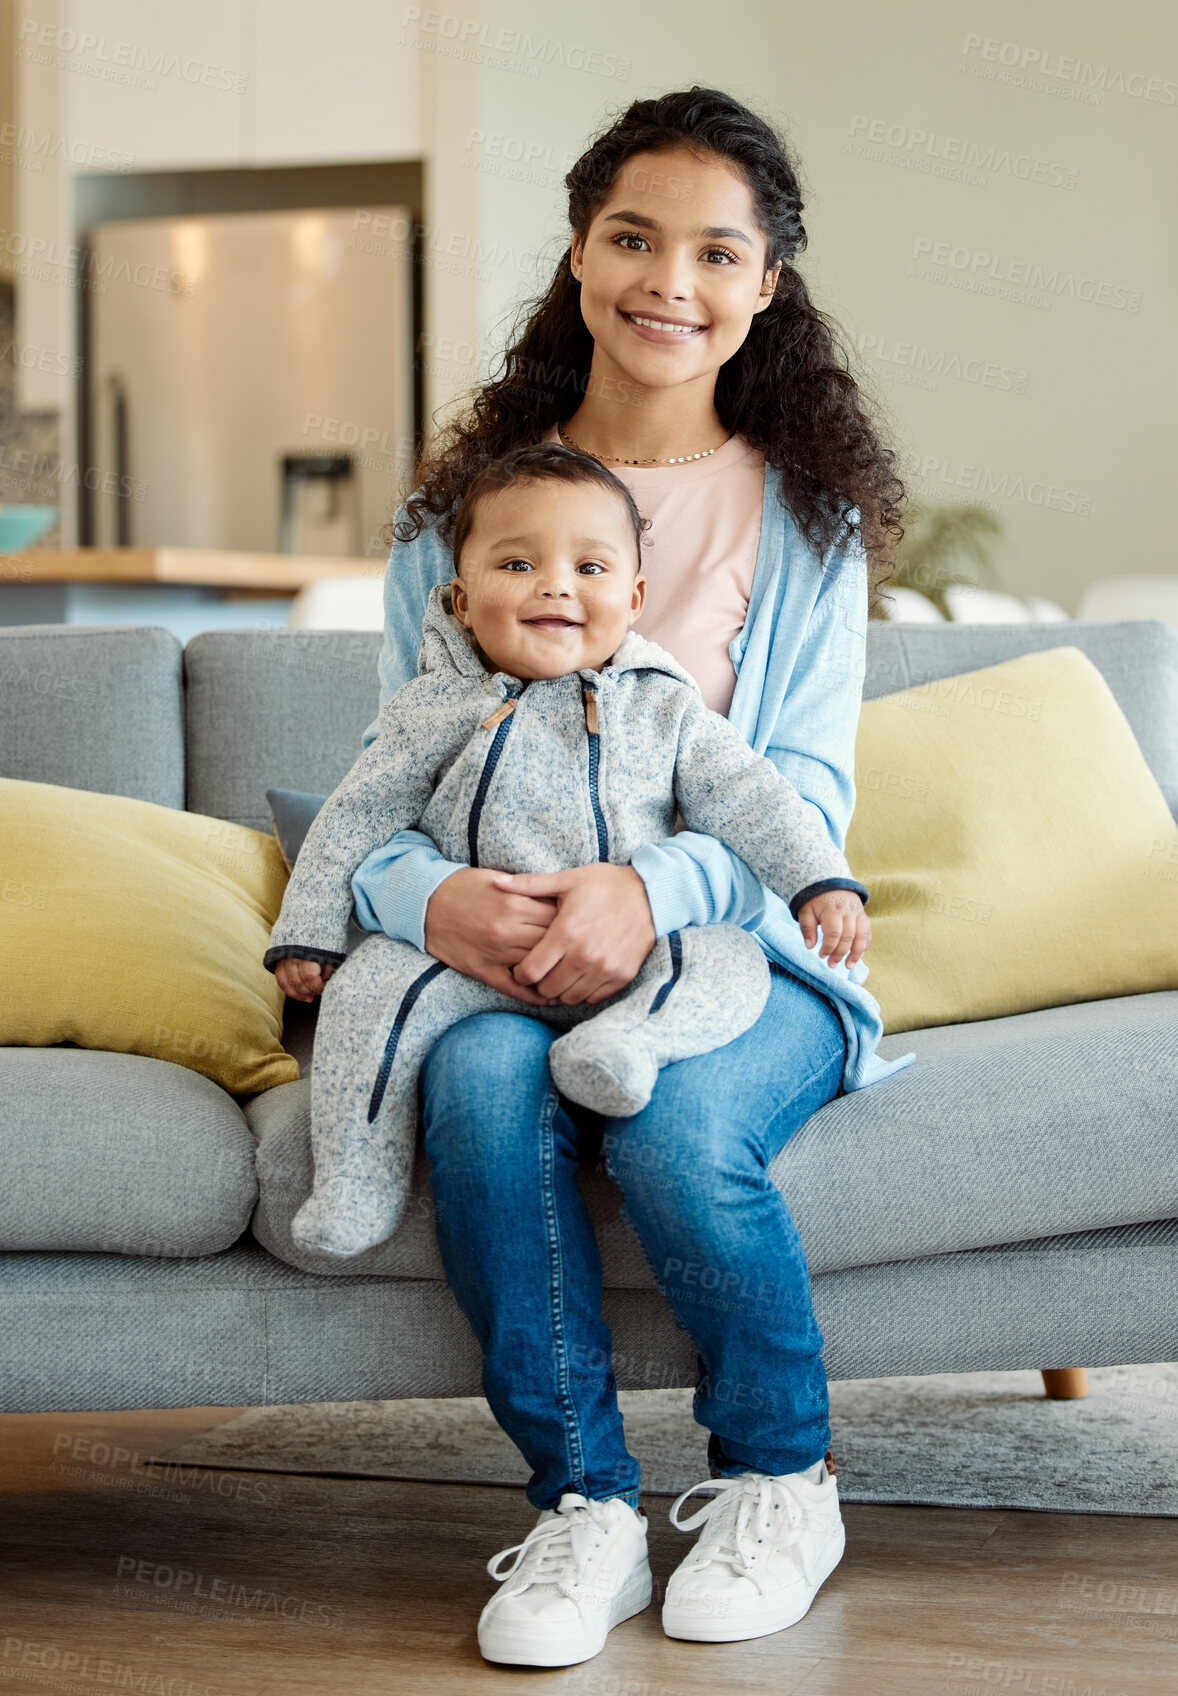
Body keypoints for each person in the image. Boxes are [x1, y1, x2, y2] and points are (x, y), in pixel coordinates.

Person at [349, 87, 916, 1666]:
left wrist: (652, 893)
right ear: (581, 256)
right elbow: (387, 788)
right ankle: (581, 1505)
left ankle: (778, 1477)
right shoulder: (450, 526)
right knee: (471, 1095)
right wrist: (426, 903)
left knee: (672, 1122)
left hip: (746, 954)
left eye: (714, 253)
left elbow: (799, 794)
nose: (668, 281)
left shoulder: (806, 524)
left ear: (764, 287)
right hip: (502, 951)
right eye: (631, 238)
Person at [264, 444, 871, 1260]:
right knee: (371, 992)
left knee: (730, 963)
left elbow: (756, 797)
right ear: (460, 596)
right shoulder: (431, 710)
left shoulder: (666, 709)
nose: (556, 584)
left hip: (637, 960)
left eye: (590, 567)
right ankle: (352, 1180)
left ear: (634, 596)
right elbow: (354, 817)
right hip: (478, 969)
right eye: (518, 563)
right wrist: (306, 933)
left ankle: (625, 1048)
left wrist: (819, 881)